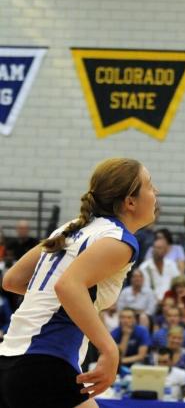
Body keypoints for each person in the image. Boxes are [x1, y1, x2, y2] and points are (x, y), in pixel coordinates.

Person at [0, 157, 157, 407]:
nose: (155, 191)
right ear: (130, 201)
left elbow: (12, 280)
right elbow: (68, 286)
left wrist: (58, 301)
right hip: (45, 361)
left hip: (9, 360)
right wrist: (109, 349)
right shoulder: (119, 240)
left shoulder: (71, 228)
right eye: (149, 185)